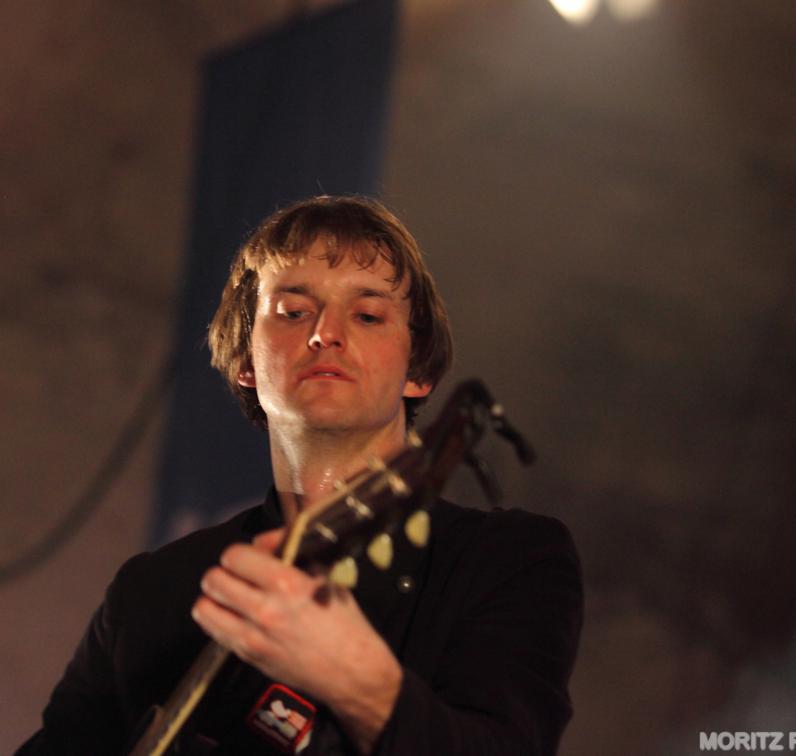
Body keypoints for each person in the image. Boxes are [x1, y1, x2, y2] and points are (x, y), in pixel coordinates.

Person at [17, 196, 583, 755]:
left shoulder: (509, 561)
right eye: (293, 312)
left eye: (367, 315)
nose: (325, 333)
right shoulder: (155, 591)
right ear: (246, 360)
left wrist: (354, 677)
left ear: (419, 371)